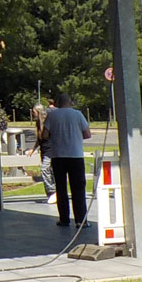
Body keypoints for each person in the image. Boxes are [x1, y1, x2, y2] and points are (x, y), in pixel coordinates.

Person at [42, 92, 90, 227]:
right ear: (70, 102)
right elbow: (87, 134)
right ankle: (81, 220)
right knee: (78, 188)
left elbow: (44, 135)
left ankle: (64, 219)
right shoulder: (78, 114)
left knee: (61, 188)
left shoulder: (52, 115)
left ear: (58, 103)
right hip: (76, 155)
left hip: (58, 156)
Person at [31, 101, 57, 205]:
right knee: (50, 172)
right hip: (44, 150)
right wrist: (33, 149)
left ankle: (53, 191)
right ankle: (51, 194)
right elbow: (39, 139)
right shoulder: (38, 123)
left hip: (50, 150)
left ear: (38, 112)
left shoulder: (47, 121)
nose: (33, 114)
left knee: (44, 169)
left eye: (34, 112)